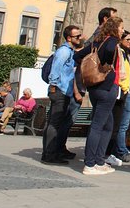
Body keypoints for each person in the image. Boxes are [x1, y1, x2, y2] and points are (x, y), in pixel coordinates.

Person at [59, 8, 116, 157]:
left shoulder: (99, 38)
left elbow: (79, 56)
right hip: (95, 85)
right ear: (105, 19)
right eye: (114, 19)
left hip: (91, 85)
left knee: (104, 124)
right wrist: (99, 68)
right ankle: (90, 159)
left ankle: (95, 158)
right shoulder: (103, 38)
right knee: (92, 124)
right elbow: (80, 56)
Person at [74, 16, 124, 175]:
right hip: (107, 87)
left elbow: (77, 56)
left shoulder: (96, 42)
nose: (122, 30)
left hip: (94, 87)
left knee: (108, 124)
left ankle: (99, 160)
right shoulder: (112, 41)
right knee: (97, 125)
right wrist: (106, 64)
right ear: (115, 28)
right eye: (121, 27)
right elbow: (110, 50)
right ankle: (89, 164)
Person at [42, 25, 82, 163]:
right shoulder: (64, 52)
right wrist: (53, 87)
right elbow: (55, 70)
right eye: (77, 36)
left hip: (63, 91)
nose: (80, 38)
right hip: (59, 91)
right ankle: (49, 155)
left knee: (55, 124)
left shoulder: (69, 51)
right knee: (54, 124)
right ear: (69, 38)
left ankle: (53, 152)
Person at [104, 30, 130, 167]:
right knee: (113, 125)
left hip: (123, 91)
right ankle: (106, 153)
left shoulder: (125, 54)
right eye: (128, 39)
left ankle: (110, 153)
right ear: (121, 40)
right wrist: (123, 88)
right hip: (118, 92)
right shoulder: (119, 52)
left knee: (116, 125)